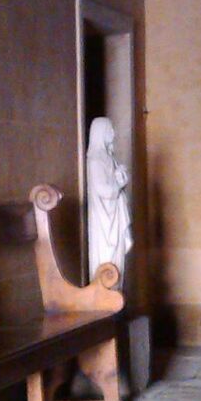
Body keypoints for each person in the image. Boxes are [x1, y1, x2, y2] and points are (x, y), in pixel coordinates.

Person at [86, 116, 133, 284]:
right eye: (110, 129)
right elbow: (103, 190)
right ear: (101, 132)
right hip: (103, 222)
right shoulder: (95, 160)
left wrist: (120, 175)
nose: (113, 133)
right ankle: (106, 297)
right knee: (106, 262)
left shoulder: (109, 158)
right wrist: (120, 183)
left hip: (114, 218)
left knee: (117, 264)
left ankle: (116, 296)